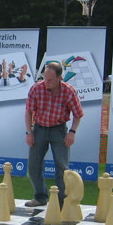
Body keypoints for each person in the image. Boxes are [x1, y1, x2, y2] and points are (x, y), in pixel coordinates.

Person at [24, 61, 84, 207]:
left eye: (50, 80)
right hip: (39, 128)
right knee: (33, 165)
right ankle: (40, 197)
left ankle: (62, 201)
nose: (46, 82)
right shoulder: (36, 88)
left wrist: (72, 132)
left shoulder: (69, 91)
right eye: (45, 78)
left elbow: (78, 114)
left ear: (60, 78)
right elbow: (29, 112)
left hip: (59, 130)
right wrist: (29, 132)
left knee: (62, 166)